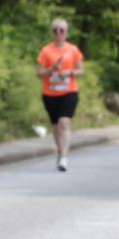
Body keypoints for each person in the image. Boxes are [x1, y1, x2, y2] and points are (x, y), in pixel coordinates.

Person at [36, 18, 84, 171]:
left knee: (64, 122)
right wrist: (51, 70)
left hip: (69, 91)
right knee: (56, 126)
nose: (58, 33)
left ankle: (64, 157)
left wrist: (68, 73)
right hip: (50, 93)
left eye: (61, 30)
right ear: (52, 33)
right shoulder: (46, 51)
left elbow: (81, 70)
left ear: (66, 32)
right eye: (55, 30)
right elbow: (39, 73)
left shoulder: (73, 50)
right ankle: (59, 151)